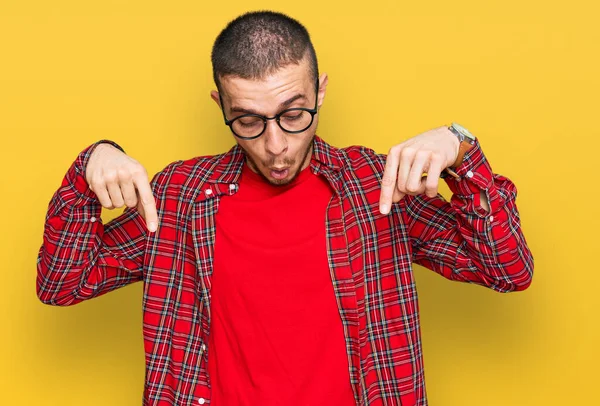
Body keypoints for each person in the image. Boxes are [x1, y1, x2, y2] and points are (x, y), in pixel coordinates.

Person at [36, 10, 533, 406]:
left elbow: (507, 269)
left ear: (320, 91)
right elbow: (62, 284)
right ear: (220, 106)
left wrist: (461, 151)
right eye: (248, 120)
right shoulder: (179, 197)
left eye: (294, 114)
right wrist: (88, 169)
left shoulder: (379, 189)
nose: (276, 145)